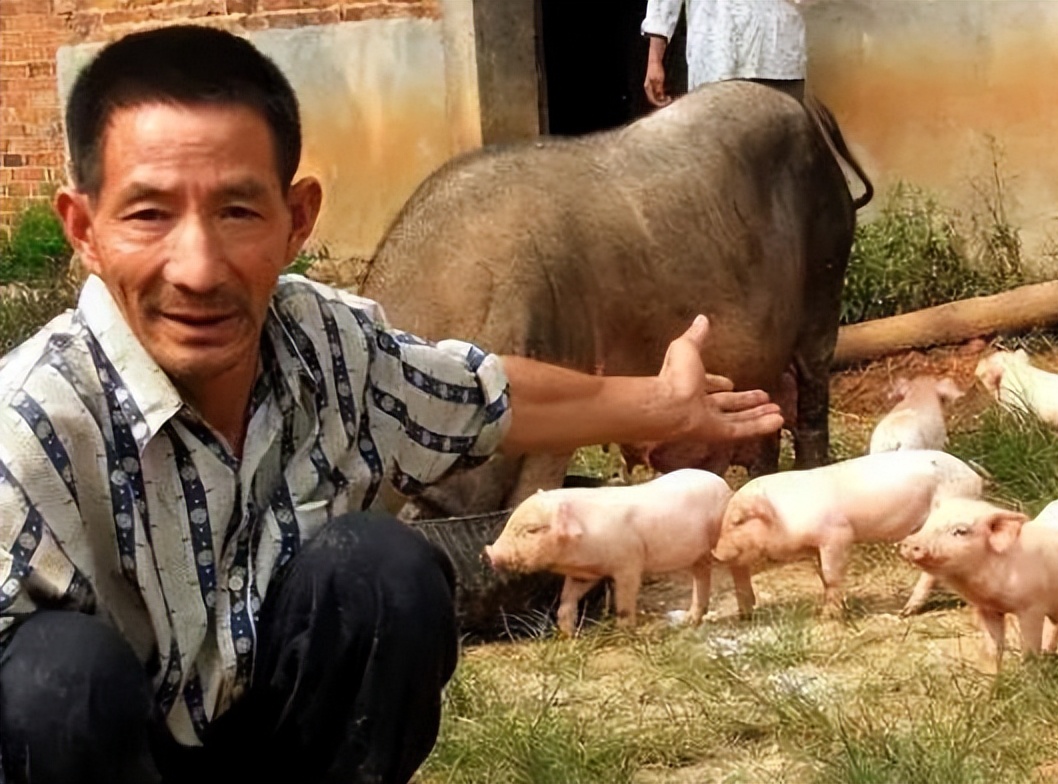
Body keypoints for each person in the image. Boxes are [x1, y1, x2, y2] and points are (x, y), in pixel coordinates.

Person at [0, 24, 783, 784]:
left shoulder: (323, 347)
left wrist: (662, 403)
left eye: (237, 211)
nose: (198, 270)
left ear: (296, 220)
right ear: (84, 229)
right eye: (149, 214)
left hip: (271, 742)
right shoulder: (28, 431)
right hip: (105, 757)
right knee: (56, 680)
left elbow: (481, 399)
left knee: (382, 570)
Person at [642, 0, 808, 107]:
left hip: (778, 60)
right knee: (714, 147)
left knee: (782, 147)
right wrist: (654, 59)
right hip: (715, 60)